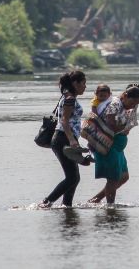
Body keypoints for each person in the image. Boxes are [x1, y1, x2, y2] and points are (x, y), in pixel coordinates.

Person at [39, 70, 90, 209]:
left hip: (65, 138)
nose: (85, 86)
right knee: (72, 177)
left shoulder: (68, 96)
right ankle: (46, 203)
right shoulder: (69, 99)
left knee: (74, 178)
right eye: (83, 83)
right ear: (75, 83)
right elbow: (64, 121)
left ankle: (67, 207)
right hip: (63, 139)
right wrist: (72, 141)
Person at [88, 83, 139, 205]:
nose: (133, 106)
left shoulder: (129, 105)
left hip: (118, 147)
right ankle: (110, 207)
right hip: (109, 144)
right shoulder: (115, 104)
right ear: (125, 96)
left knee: (124, 176)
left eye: (136, 104)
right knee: (113, 179)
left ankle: (96, 200)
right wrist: (123, 127)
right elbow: (110, 123)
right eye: (132, 102)